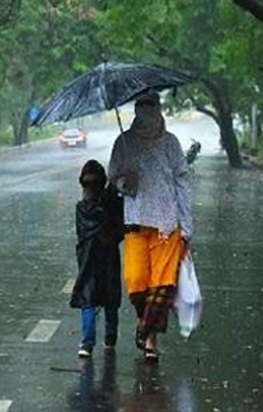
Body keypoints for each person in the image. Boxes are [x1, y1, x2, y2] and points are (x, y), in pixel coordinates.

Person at [108, 90, 193, 362]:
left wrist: (187, 226)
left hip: (168, 225)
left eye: (150, 104)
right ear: (135, 109)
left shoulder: (171, 143)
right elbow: (113, 176)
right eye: (140, 104)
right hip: (135, 223)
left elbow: (182, 183)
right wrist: (124, 182)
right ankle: (145, 323)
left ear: (158, 108)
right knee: (136, 282)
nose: (145, 109)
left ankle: (150, 339)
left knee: (161, 285)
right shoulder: (124, 143)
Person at [71, 160, 124, 358]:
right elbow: (89, 229)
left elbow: (117, 231)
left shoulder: (113, 204)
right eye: (86, 183)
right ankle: (87, 342)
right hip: (88, 260)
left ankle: (110, 336)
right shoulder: (82, 208)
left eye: (94, 183)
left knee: (110, 299)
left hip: (108, 258)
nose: (90, 187)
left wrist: (110, 203)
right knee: (88, 298)